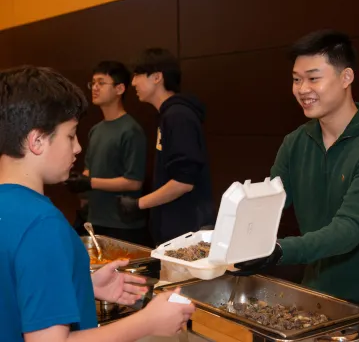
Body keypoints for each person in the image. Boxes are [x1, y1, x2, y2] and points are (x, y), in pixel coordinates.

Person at [0, 66, 195, 342]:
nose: (77, 147)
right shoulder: (42, 223)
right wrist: (147, 322)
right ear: (37, 141)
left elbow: (11, 292)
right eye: (70, 135)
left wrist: (81, 284)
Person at [234, 30, 359, 303]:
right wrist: (231, 227)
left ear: (346, 77)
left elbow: (350, 229)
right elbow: (269, 203)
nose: (303, 89)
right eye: (296, 80)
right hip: (316, 292)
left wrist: (277, 250)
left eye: (313, 78)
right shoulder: (296, 142)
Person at [118, 48, 215, 245]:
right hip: (175, 233)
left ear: (157, 77)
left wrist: (139, 204)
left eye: (137, 75)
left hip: (186, 236)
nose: (133, 82)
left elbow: (183, 182)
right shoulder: (168, 115)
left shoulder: (178, 116)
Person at [65, 61, 149, 245]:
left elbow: (133, 182)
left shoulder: (131, 130)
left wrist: (89, 182)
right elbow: (90, 170)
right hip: (95, 219)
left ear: (119, 89)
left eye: (101, 83)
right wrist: (77, 180)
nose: (94, 88)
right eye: (93, 83)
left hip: (122, 224)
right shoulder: (96, 130)